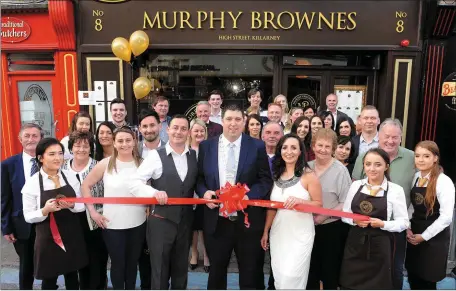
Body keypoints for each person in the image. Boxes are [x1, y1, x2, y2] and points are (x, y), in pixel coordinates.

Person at [196, 104, 273, 289]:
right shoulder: (207, 146)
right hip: (217, 221)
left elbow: (265, 180)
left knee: (250, 272)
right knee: (216, 271)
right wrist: (205, 192)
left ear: (244, 122)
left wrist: (249, 196)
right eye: (229, 119)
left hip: (247, 222)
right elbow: (199, 179)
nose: (233, 123)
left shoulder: (257, 146)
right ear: (222, 121)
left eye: (238, 119)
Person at [129, 115, 198, 290]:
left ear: (188, 132)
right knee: (159, 271)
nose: (179, 132)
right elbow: (135, 183)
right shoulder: (155, 156)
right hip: (161, 222)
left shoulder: (194, 156)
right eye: (175, 128)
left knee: (181, 270)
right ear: (167, 130)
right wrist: (154, 192)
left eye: (183, 128)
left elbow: (194, 185)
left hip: (185, 223)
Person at [352, 118, 415, 290]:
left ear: (401, 138)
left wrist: (408, 221)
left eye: (395, 137)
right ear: (379, 136)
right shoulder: (365, 157)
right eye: (386, 136)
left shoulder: (412, 158)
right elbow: (355, 185)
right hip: (366, 227)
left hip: (396, 228)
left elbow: (416, 192)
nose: (390, 141)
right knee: (367, 271)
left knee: (394, 271)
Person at [82, 127, 146, 290]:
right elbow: (85, 186)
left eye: (128, 140)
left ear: (134, 141)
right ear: (114, 143)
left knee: (132, 265)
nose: (124, 144)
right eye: (120, 141)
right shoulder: (106, 163)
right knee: (118, 264)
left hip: (138, 224)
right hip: (113, 225)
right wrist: (93, 212)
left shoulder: (143, 164)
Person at [22, 137, 88, 289]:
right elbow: (28, 216)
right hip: (48, 238)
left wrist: (72, 205)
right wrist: (45, 210)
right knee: (49, 278)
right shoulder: (32, 183)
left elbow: (81, 206)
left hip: (71, 233)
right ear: (41, 158)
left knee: (72, 275)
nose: (57, 158)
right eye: (51, 154)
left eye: (60, 153)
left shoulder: (69, 176)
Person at [340, 148, 410, 289]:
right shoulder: (356, 186)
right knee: (350, 284)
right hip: (355, 243)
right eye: (368, 164)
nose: (372, 169)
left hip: (380, 245)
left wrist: (382, 224)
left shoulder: (396, 190)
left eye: (378, 164)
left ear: (386, 166)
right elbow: (345, 213)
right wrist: (354, 220)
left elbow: (403, 222)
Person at [261, 134, 322, 289]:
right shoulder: (276, 175)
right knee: (280, 279)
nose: (289, 151)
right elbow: (272, 208)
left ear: (300, 151)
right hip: (279, 233)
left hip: (301, 234)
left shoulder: (309, 176)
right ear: (280, 150)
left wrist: (301, 201)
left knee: (292, 277)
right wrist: (266, 231)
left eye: (294, 148)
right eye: (285, 147)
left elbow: (318, 205)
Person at [405, 141, 455, 290]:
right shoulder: (416, 177)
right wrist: (408, 227)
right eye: (417, 156)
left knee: (427, 281)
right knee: (413, 276)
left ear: (435, 158)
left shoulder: (444, 182)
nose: (421, 159)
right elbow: (412, 207)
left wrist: (424, 236)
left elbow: (446, 217)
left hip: (434, 238)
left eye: (426, 156)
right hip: (414, 234)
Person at [306, 128, 352, 290]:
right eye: (319, 145)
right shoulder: (306, 168)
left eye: (327, 146)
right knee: (309, 272)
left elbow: (345, 202)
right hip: (306, 227)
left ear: (333, 149)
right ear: (313, 146)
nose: (323, 150)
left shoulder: (340, 170)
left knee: (329, 273)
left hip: (331, 229)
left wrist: (323, 217)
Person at [62, 131, 108, 290]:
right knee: (77, 261)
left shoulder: (99, 166)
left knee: (97, 262)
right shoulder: (61, 168)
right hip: (70, 223)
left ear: (91, 148)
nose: (81, 149)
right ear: (71, 148)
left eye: (85, 145)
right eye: (77, 145)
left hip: (95, 222)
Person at [1, 123, 43, 290]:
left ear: (41, 138)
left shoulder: (49, 160)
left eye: (35, 136)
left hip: (46, 221)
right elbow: (5, 198)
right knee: (26, 266)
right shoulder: (8, 165)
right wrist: (6, 227)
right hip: (21, 224)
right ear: (20, 139)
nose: (31, 139)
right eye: (27, 136)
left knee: (49, 262)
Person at [261, 121, 284, 290]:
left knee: (277, 254)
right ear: (262, 135)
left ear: (282, 136)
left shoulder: (287, 158)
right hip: (257, 211)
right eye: (268, 132)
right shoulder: (254, 155)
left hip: (281, 213)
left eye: (276, 133)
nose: (272, 136)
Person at [187, 119, 210, 273]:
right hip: (189, 193)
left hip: (206, 192)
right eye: (196, 130)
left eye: (202, 131)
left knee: (204, 226)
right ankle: (194, 253)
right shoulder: (186, 150)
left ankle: (207, 255)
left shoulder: (210, 149)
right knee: (193, 227)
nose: (199, 133)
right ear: (190, 132)